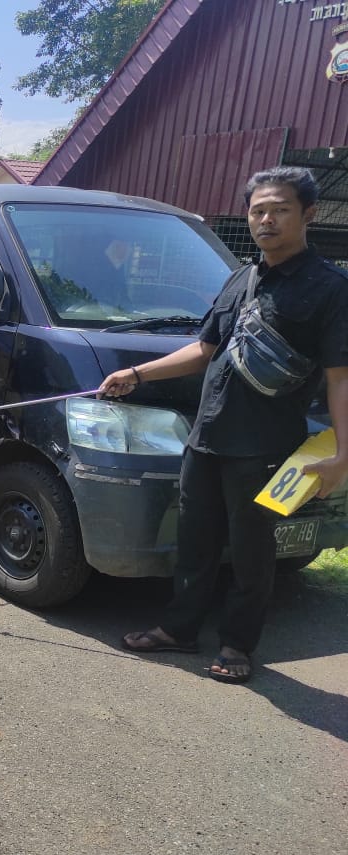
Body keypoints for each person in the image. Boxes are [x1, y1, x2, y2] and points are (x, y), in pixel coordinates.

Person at [101, 167, 348, 685]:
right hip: (207, 437)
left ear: (309, 214)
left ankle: (238, 644)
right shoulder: (242, 277)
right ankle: (179, 628)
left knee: (254, 550)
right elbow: (204, 350)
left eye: (279, 209)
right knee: (196, 539)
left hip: (268, 448)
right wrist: (136, 373)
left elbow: (340, 378)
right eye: (258, 210)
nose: (266, 219)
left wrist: (342, 455)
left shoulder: (330, 289)